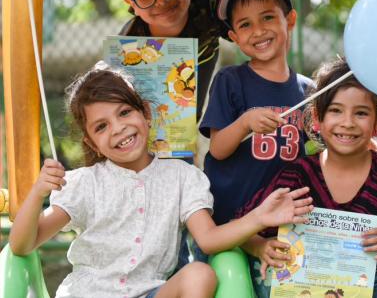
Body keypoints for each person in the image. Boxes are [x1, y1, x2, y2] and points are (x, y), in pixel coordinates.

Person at [9, 65, 314, 298]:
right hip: (90, 294)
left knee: (200, 274)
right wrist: (38, 194)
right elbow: (22, 245)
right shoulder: (85, 183)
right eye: (102, 126)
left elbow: (208, 240)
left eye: (124, 112)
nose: (118, 128)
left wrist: (258, 217)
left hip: (150, 293)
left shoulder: (182, 177)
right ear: (91, 141)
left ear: (145, 113)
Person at [242, 58, 377, 298]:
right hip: (308, 284)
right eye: (336, 111)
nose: (348, 123)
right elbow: (244, 226)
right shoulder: (297, 176)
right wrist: (260, 247)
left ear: (375, 125)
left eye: (361, 113)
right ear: (317, 119)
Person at [199, 0, 313, 294]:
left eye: (267, 17)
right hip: (233, 217)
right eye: (245, 25)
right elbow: (218, 149)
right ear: (234, 36)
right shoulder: (231, 80)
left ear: (289, 20)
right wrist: (245, 122)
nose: (259, 31)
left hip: (283, 223)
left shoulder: (308, 91)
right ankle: (254, 247)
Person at [118, 0, 228, 119]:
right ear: (132, 4)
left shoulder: (210, 4)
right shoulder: (129, 44)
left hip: (200, 73)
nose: (161, 0)